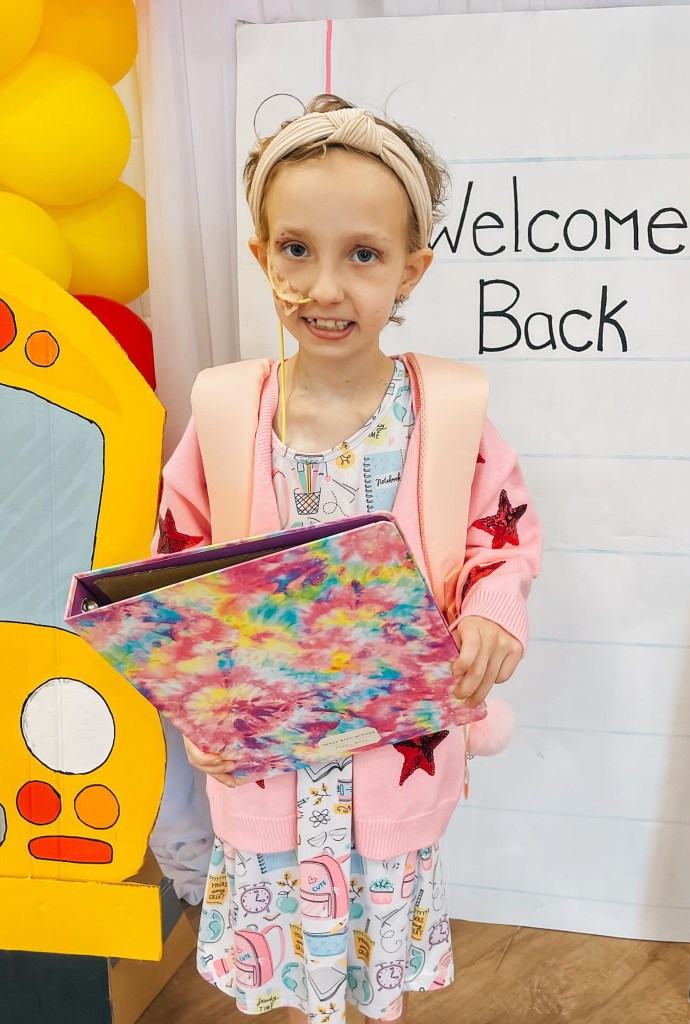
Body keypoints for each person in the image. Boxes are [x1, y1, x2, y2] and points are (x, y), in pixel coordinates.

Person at [153, 95, 542, 1024]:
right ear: (262, 256)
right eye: (296, 250)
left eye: (362, 256)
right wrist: (198, 693)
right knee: (283, 940)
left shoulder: (447, 412)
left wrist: (493, 611)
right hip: (270, 754)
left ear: (410, 270)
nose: (324, 288)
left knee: (372, 953)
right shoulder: (224, 411)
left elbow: (502, 533)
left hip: (388, 746)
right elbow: (180, 566)